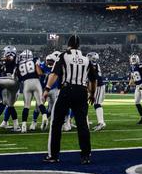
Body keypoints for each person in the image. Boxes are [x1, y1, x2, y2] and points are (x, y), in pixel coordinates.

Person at [43, 35, 97, 165]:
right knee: (82, 124)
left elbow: (54, 74)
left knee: (56, 123)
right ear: (78, 46)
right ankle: (86, 156)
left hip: (67, 90)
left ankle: (53, 155)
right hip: (82, 91)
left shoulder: (63, 56)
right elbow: (93, 79)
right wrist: (92, 93)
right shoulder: (86, 59)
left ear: (68, 44)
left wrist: (46, 89)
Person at [15, 49, 48, 133]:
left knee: (26, 106)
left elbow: (18, 78)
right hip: (36, 82)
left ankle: (23, 126)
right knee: (40, 103)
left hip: (26, 84)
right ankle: (44, 118)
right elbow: (39, 73)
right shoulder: (34, 60)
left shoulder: (19, 64)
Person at [87, 52, 106, 131]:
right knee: (94, 104)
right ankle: (87, 121)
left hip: (98, 86)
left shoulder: (93, 66)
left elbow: (94, 79)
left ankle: (101, 123)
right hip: (95, 85)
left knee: (97, 104)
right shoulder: (93, 65)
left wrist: (91, 91)